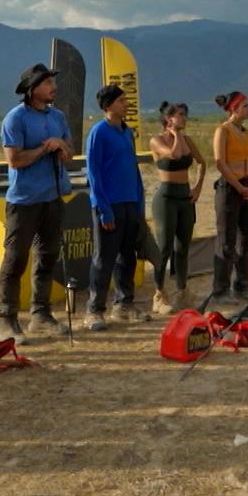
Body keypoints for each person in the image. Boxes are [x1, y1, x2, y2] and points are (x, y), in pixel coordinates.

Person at [0, 63, 73, 339]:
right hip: (24, 201)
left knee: (48, 256)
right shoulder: (14, 119)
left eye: (53, 81)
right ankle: (7, 320)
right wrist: (45, 148)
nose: (53, 86)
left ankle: (40, 314)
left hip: (52, 197)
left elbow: (70, 152)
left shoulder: (58, 117)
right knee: (16, 259)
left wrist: (63, 148)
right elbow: (14, 160)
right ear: (32, 90)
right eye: (47, 82)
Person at [85, 85, 149, 331]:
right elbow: (94, 173)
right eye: (122, 101)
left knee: (127, 257)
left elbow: (132, 168)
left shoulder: (127, 132)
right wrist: (103, 208)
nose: (127, 104)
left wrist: (139, 201)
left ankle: (124, 305)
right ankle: (95, 310)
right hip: (109, 204)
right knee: (104, 258)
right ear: (108, 106)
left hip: (130, 202)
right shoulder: (98, 133)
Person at [147, 101, 205, 313]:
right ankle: (159, 294)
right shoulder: (156, 140)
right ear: (168, 119)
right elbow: (174, 155)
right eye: (180, 115)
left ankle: (182, 291)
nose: (184, 118)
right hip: (166, 197)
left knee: (183, 248)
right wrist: (176, 134)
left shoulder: (188, 140)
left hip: (185, 197)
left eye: (185, 114)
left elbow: (201, 162)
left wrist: (197, 187)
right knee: (164, 248)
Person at [210, 91, 248, 304]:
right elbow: (220, 161)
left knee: (247, 239)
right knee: (226, 240)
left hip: (247, 187)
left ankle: (243, 285)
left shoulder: (247, 134)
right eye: (245, 105)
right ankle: (221, 289)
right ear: (234, 108)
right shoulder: (223, 131)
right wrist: (238, 186)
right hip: (229, 189)